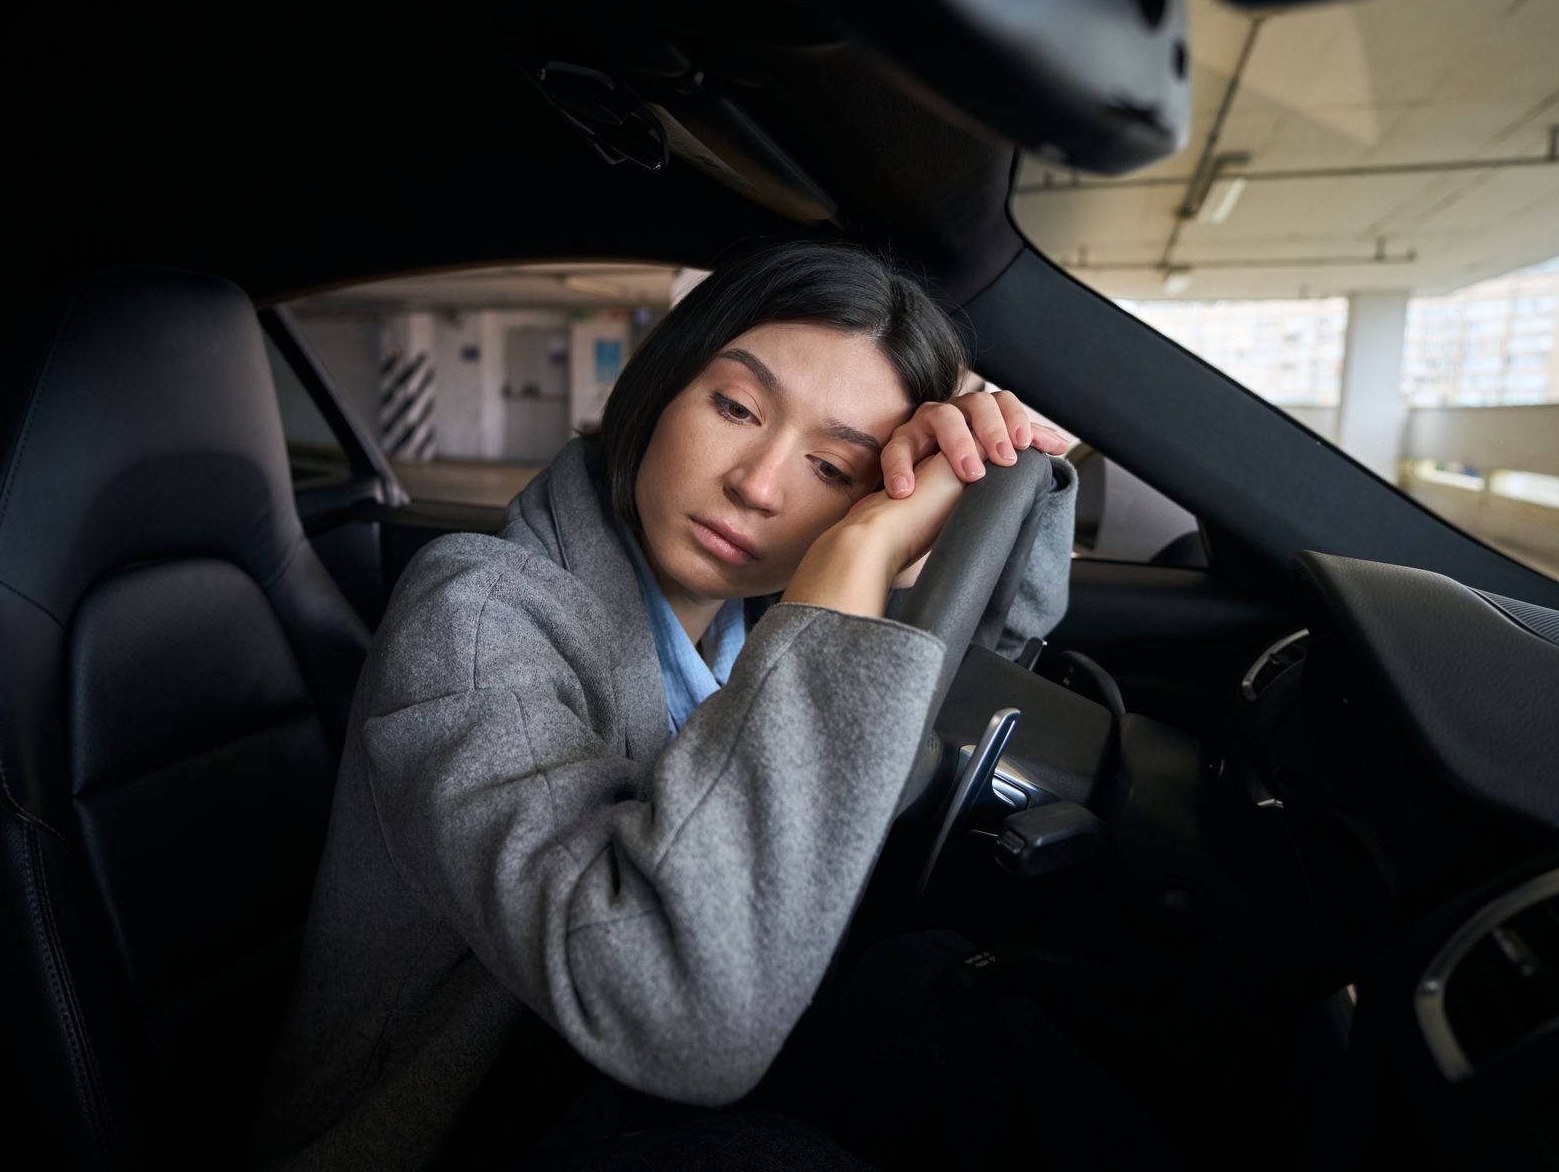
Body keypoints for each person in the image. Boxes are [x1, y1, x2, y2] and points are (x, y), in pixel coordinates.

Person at [252, 241, 1078, 1169]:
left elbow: (978, 669)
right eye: (735, 407)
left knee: (951, 1001)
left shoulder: (755, 623)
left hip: (599, 1090)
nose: (758, 486)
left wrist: (1012, 479)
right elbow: (675, 1009)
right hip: (463, 1126)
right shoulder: (477, 612)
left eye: (835, 469)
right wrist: (852, 560)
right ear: (657, 389)